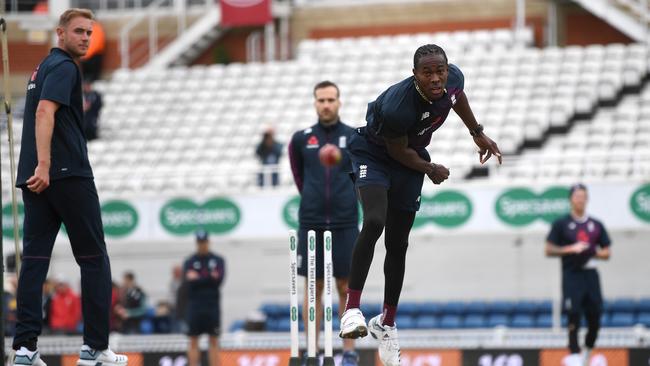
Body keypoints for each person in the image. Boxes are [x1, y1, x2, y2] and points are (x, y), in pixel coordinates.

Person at [338, 44, 502, 366]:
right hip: (377, 154)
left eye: (439, 70)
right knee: (374, 221)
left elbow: (457, 99)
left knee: (398, 243)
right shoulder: (398, 105)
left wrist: (477, 132)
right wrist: (430, 169)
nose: (436, 78)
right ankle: (352, 309)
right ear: (415, 75)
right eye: (427, 73)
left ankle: (386, 323)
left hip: (410, 161)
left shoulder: (452, 79)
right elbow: (397, 152)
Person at [11, 8, 127, 366]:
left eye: (89, 33)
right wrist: (46, 164)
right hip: (65, 173)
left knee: (33, 261)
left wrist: (39, 167)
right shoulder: (63, 66)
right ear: (60, 33)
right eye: (78, 31)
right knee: (94, 259)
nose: (85, 38)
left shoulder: (40, 68)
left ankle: (25, 349)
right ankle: (94, 347)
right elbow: (45, 113)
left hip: (36, 178)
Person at [288, 80, 360, 366]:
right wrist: (314, 199)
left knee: (346, 286)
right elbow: (299, 178)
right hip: (312, 222)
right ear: (315, 103)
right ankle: (312, 352)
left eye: (331, 99)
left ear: (339, 102)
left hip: (345, 221)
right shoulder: (301, 139)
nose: (326, 105)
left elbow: (360, 176)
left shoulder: (354, 137)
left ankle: (349, 351)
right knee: (314, 287)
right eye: (321, 100)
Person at [545, 184, 611, 366]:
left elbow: (607, 251)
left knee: (595, 315)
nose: (580, 199)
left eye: (583, 196)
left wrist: (591, 251)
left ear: (587, 199)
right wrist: (570, 249)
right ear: (571, 199)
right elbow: (549, 249)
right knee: (573, 313)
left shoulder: (596, 225)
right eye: (577, 196)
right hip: (572, 274)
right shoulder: (561, 224)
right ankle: (574, 353)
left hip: (590, 274)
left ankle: (588, 352)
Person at [183, 230, 226, 366]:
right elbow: (189, 282)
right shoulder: (190, 261)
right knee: (193, 340)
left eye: (204, 242)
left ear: (208, 242)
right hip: (195, 306)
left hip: (212, 306)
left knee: (213, 340)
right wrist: (208, 278)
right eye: (199, 242)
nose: (202, 245)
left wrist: (199, 278)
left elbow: (218, 280)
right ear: (196, 243)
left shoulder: (218, 260)